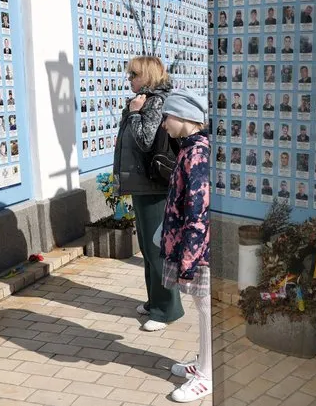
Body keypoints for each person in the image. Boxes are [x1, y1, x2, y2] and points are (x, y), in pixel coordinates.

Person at [112, 56, 184, 332]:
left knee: (157, 249)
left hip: (154, 184)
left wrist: (134, 113)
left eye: (134, 74)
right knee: (146, 245)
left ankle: (167, 309)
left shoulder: (156, 102)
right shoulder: (144, 99)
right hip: (141, 183)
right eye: (129, 74)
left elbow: (145, 140)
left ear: (149, 76)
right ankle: (154, 300)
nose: (129, 79)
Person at [155, 89, 212, 402]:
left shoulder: (197, 153)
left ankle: (208, 375)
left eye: (167, 116)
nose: (164, 124)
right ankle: (204, 363)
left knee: (205, 308)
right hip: (192, 248)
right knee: (201, 307)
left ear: (185, 118)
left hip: (198, 251)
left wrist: (189, 258)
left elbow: (198, 210)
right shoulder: (188, 149)